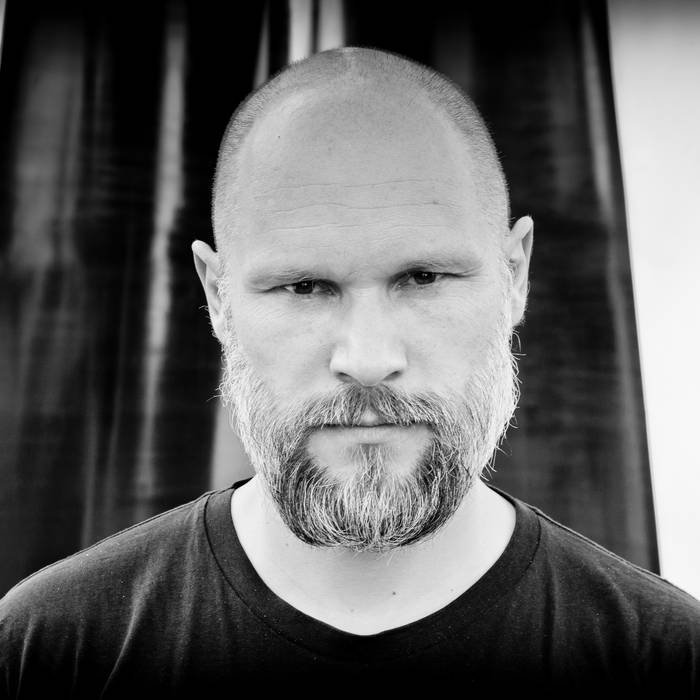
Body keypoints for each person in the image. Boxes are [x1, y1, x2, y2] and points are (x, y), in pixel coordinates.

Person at [1, 47, 698, 696]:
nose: (366, 360)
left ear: (515, 275)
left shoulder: (665, 657)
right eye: (304, 287)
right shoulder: (50, 650)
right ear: (216, 294)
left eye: (423, 277)